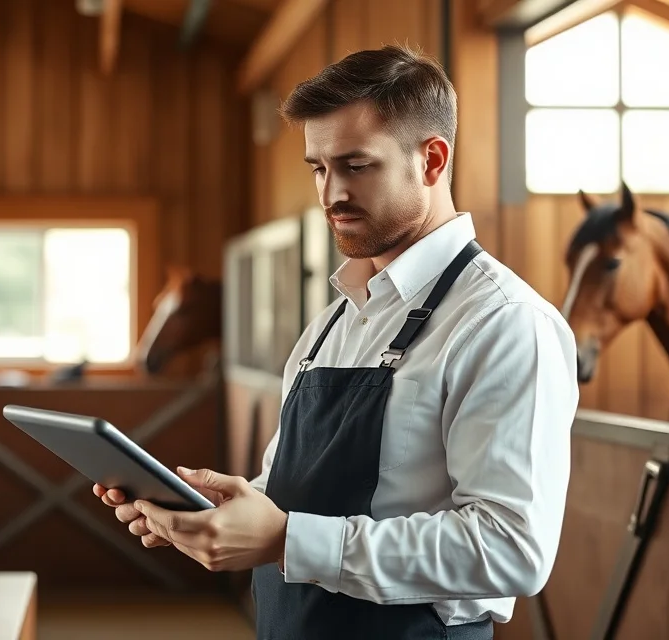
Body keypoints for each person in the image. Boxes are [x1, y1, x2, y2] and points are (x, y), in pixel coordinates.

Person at [93, 44, 578, 639]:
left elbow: (512, 549)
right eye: (318, 169)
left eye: (356, 165)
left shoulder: (504, 323)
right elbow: (290, 492)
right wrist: (215, 511)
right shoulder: (331, 324)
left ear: (432, 160)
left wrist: (285, 539)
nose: (330, 195)